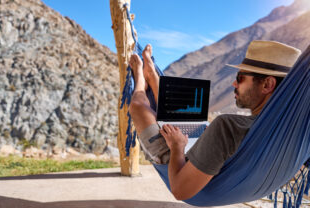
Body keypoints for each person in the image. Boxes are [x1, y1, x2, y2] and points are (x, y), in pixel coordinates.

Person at [128, 40, 301, 200]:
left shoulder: (228, 126)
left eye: (240, 78)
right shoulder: (297, 130)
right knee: (172, 113)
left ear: (267, 85)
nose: (234, 84)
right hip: (211, 155)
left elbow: (180, 190)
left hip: (185, 168)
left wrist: (176, 146)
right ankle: (151, 73)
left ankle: (141, 79)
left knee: (137, 105)